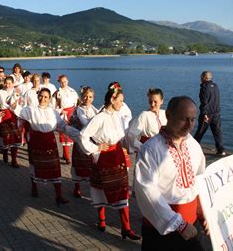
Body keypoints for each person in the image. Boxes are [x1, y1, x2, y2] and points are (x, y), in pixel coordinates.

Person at [134, 96, 207, 250]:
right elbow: (146, 192)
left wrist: (204, 213)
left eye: (193, 120)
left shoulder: (194, 146)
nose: (189, 125)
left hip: (192, 226)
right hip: (162, 230)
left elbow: (200, 181)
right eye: (184, 119)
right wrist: (178, 224)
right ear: (168, 115)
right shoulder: (150, 149)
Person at [79, 84, 140, 240]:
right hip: (103, 156)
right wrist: (95, 147)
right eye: (120, 100)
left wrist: (127, 147)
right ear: (112, 99)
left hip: (117, 154)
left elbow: (122, 135)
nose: (122, 104)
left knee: (121, 189)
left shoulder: (117, 116)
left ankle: (126, 228)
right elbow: (83, 135)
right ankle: (102, 221)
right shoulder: (99, 118)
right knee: (100, 189)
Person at [19, 88, 79, 205]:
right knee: (35, 165)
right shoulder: (30, 110)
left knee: (55, 168)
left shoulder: (54, 112)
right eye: (41, 96)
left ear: (49, 98)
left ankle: (59, 195)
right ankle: (34, 187)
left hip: (50, 142)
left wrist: (77, 134)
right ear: (37, 97)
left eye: (46, 97)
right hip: (36, 141)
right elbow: (19, 116)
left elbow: (62, 126)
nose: (43, 99)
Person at [70, 86, 98, 198]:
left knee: (91, 165)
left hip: (91, 141)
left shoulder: (94, 109)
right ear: (82, 97)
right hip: (80, 140)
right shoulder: (78, 109)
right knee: (78, 163)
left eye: (90, 97)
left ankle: (93, 188)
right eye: (85, 96)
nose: (88, 99)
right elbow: (81, 122)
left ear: (93, 98)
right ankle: (77, 188)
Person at [0, 76, 23, 167]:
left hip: (14, 116)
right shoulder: (0, 93)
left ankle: (14, 160)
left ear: (13, 84)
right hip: (4, 116)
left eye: (10, 83)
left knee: (15, 137)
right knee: (5, 137)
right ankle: (5, 153)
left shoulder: (17, 92)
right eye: (6, 83)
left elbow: (22, 104)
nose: (8, 85)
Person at [194, 71, 226, 156]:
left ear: (204, 77)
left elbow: (204, 102)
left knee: (200, 131)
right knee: (217, 132)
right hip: (216, 113)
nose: (200, 79)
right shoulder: (215, 86)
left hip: (207, 114)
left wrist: (204, 114)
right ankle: (221, 150)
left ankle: (192, 147)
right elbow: (216, 100)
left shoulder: (204, 88)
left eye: (201, 77)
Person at [127, 88, 167, 153]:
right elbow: (131, 134)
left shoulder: (165, 114)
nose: (152, 104)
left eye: (155, 102)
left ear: (161, 101)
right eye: (150, 101)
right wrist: (141, 147)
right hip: (148, 150)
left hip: (163, 150)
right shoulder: (144, 115)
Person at [54, 74, 79, 164]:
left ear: (67, 81)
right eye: (62, 82)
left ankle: (66, 154)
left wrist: (76, 113)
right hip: (63, 115)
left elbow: (77, 103)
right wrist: (61, 111)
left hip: (72, 114)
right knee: (65, 135)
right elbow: (54, 106)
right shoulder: (57, 93)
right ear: (59, 82)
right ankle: (67, 157)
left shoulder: (73, 91)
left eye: (65, 81)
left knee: (72, 134)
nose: (63, 83)